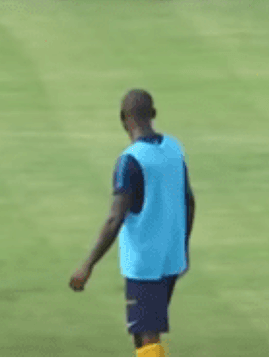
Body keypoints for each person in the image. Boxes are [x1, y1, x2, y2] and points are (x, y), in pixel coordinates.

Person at [69, 89, 194, 357]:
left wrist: (87, 265)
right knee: (142, 330)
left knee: (148, 332)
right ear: (154, 114)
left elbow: (115, 218)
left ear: (124, 119)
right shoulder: (174, 148)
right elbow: (189, 202)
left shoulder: (130, 161)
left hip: (145, 264)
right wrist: (183, 247)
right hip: (171, 258)